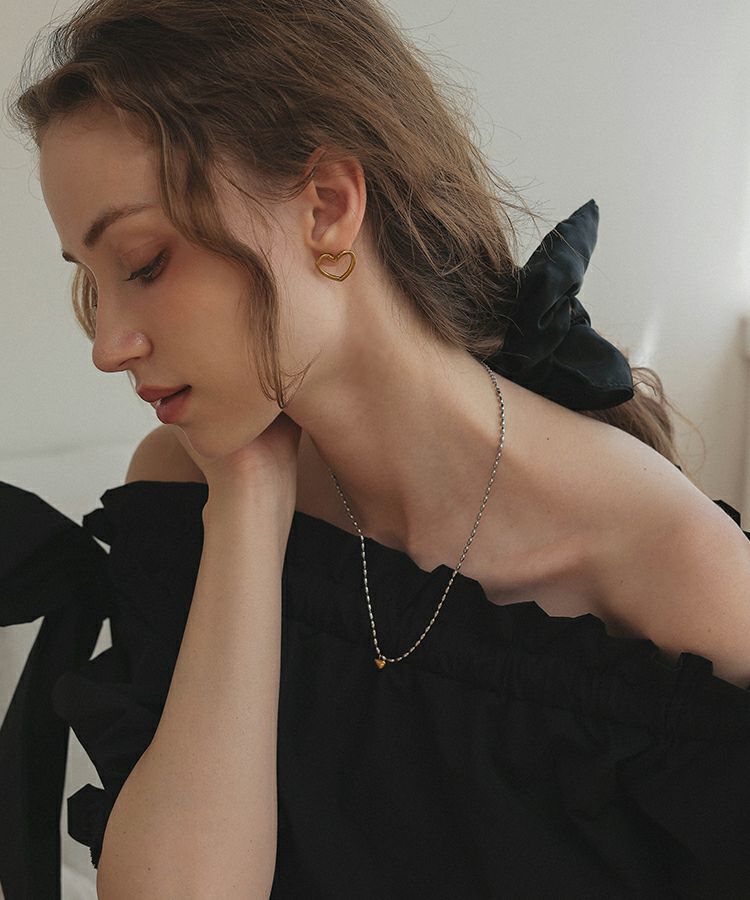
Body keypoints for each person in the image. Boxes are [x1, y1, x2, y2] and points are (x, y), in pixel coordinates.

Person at [2, 1, 750, 897]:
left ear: (328, 206)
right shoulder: (183, 496)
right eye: (93, 283)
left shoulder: (676, 569)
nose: (107, 345)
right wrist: (247, 499)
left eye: (144, 263)